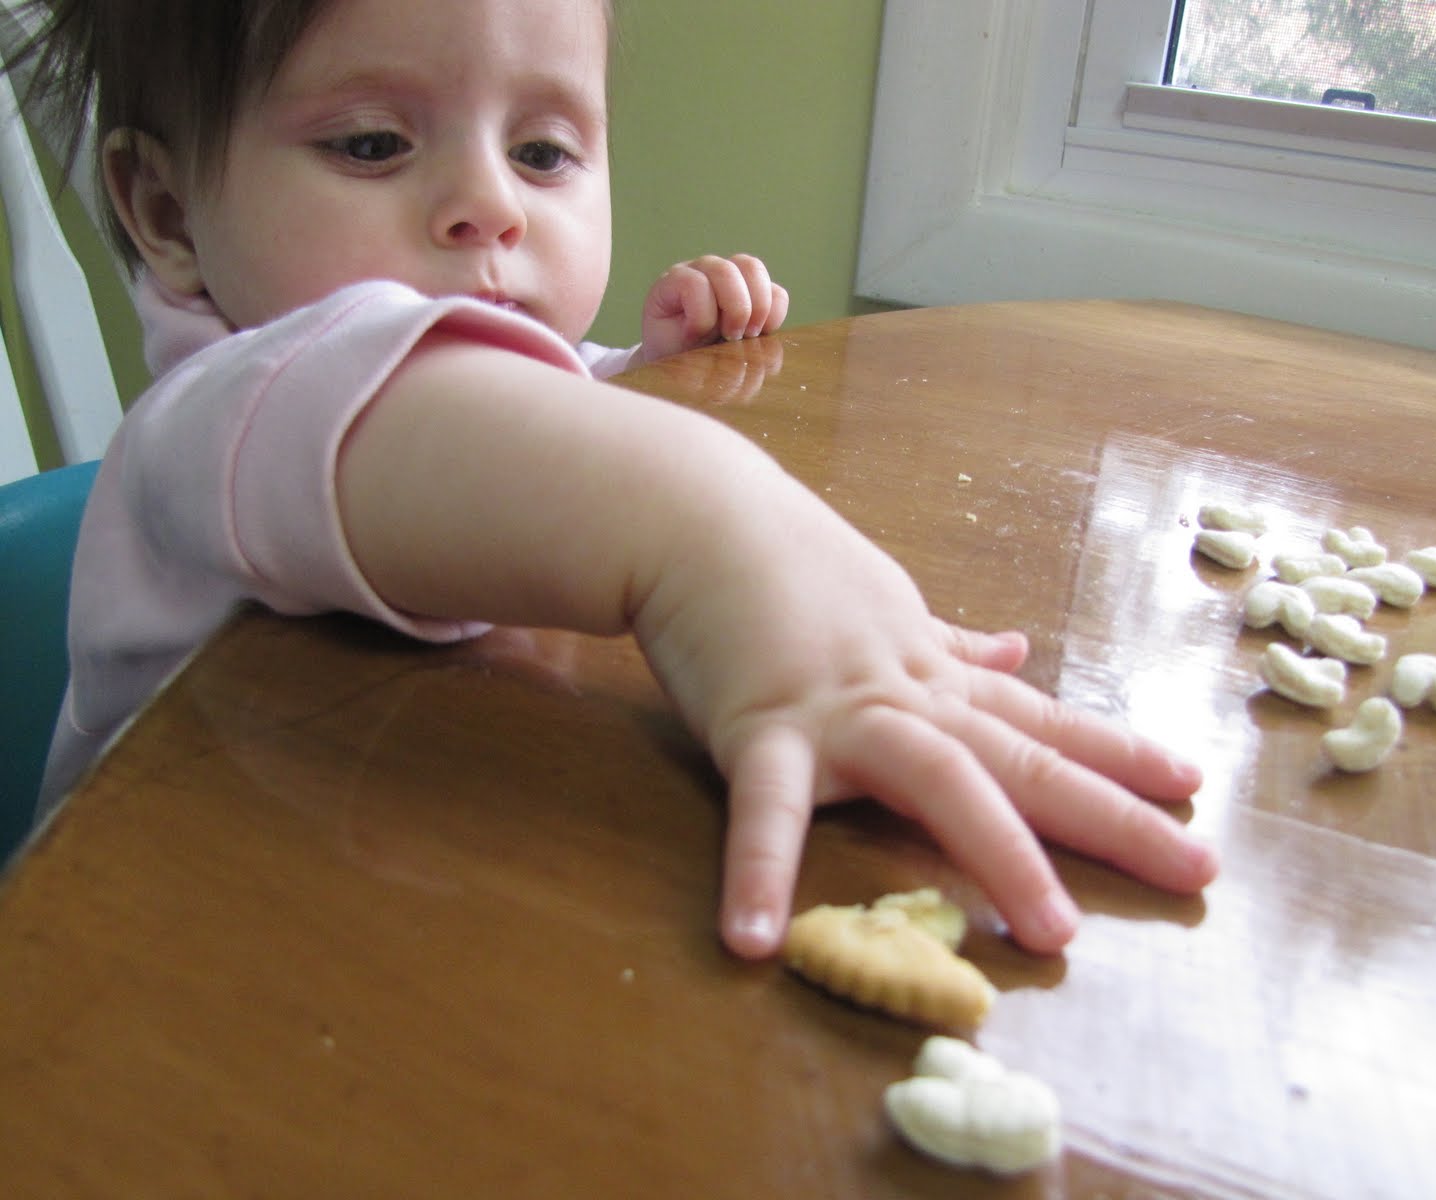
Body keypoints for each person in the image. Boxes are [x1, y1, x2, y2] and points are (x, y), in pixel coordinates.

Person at [11, 0, 1217, 960]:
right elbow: (432, 422)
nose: (489, 203)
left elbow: (525, 428)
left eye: (542, 151)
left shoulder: (448, 390)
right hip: (148, 999)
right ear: (166, 209)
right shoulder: (217, 418)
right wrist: (719, 529)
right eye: (371, 143)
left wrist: (652, 374)